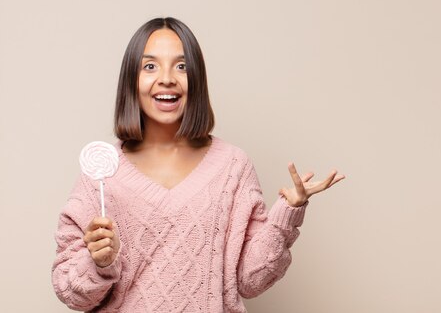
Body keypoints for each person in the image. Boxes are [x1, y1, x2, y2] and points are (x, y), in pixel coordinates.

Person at [51, 17, 345, 312]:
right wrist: (99, 263)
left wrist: (287, 214)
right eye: (150, 66)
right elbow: (71, 292)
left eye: (181, 66)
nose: (167, 78)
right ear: (131, 80)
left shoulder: (233, 167)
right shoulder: (102, 174)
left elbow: (250, 281)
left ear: (198, 80)